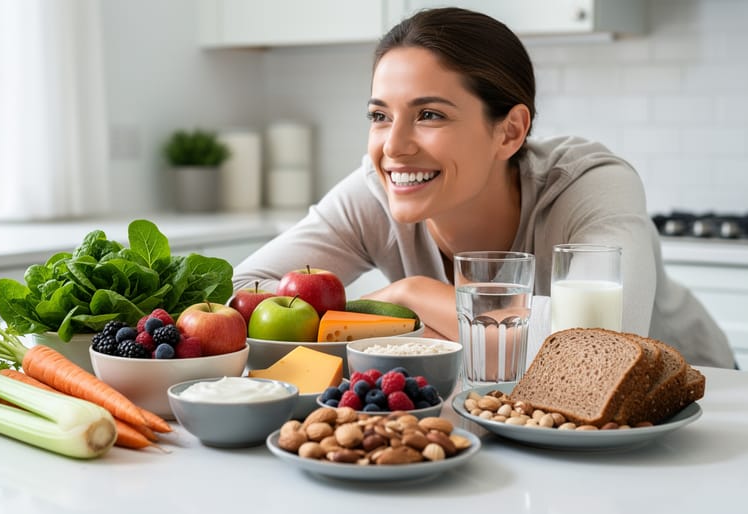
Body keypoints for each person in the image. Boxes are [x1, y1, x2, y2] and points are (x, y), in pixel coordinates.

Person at [232, 7, 736, 368]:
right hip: (523, 413)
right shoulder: (374, 192)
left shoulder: (590, 185)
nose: (394, 147)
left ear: (510, 131)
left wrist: (413, 295)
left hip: (697, 414)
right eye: (380, 116)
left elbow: (599, 349)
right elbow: (236, 294)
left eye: (429, 114)